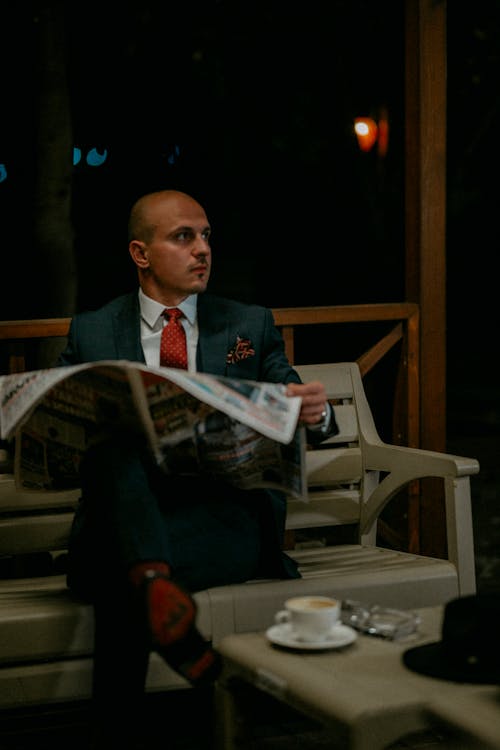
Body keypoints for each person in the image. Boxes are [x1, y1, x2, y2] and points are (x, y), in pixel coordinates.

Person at [57, 189, 338, 747]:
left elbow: (292, 392)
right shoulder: (92, 330)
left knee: (122, 582)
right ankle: (168, 607)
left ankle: (148, 601)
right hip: (131, 510)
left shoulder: (247, 324)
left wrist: (315, 409)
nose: (202, 249)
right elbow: (67, 435)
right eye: (183, 237)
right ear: (141, 253)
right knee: (113, 446)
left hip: (221, 521)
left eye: (206, 235)